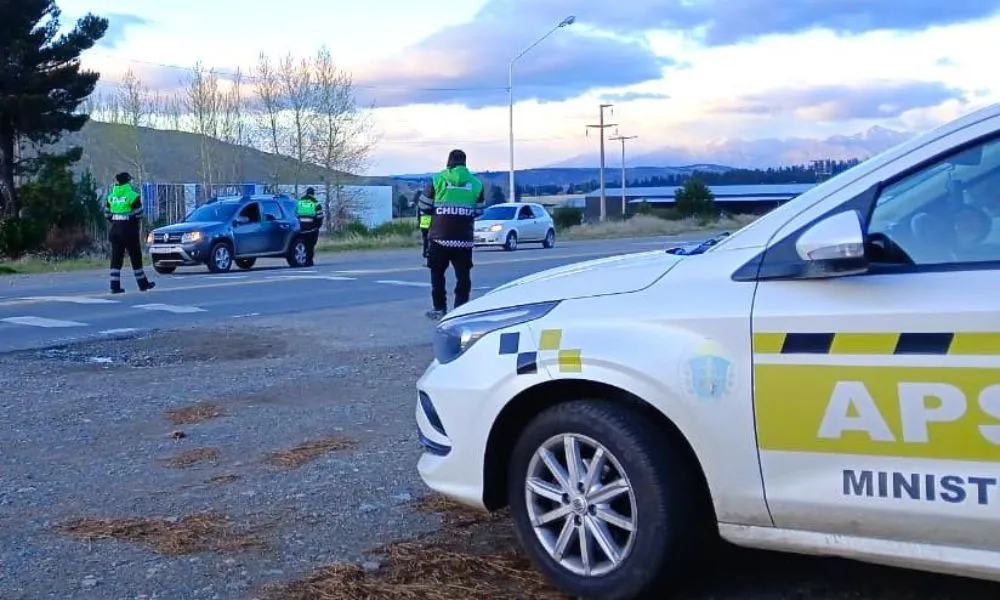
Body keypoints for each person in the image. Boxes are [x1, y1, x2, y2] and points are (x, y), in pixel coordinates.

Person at [417, 149, 485, 320]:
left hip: (439, 237)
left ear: (449, 161)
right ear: (465, 162)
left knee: (437, 274)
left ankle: (439, 308)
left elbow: (424, 206)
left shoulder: (437, 180)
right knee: (463, 276)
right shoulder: (476, 184)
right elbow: (479, 210)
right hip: (463, 239)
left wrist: (427, 231)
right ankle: (461, 310)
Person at [104, 172, 155, 294]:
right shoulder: (132, 195)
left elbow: (107, 214)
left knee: (116, 258)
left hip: (115, 230)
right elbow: (139, 213)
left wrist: (115, 220)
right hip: (129, 230)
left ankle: (114, 286)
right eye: (130, 180)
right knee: (135, 257)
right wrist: (131, 220)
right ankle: (143, 284)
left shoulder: (111, 196)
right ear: (127, 181)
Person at [296, 187, 324, 267]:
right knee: (311, 245)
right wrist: (318, 226)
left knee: (305, 244)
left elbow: (295, 214)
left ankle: (305, 260)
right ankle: (309, 261)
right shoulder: (315, 203)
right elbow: (320, 216)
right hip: (312, 228)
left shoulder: (299, 202)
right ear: (313, 194)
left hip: (302, 227)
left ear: (306, 193)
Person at [415, 189, 432, 267]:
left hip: (424, 218)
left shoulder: (422, 198)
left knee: (426, 237)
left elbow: (419, 213)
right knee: (429, 238)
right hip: (428, 218)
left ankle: (428, 257)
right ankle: (428, 257)